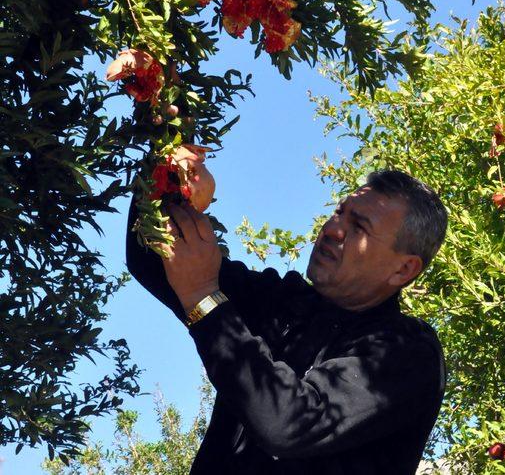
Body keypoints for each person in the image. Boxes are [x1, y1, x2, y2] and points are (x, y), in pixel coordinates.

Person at [126, 169, 448, 474]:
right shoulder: (281, 302)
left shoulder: (407, 354)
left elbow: (289, 423)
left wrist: (202, 297)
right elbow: (153, 260)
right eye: (339, 212)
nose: (333, 229)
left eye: (359, 227)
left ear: (404, 270)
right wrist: (171, 163)